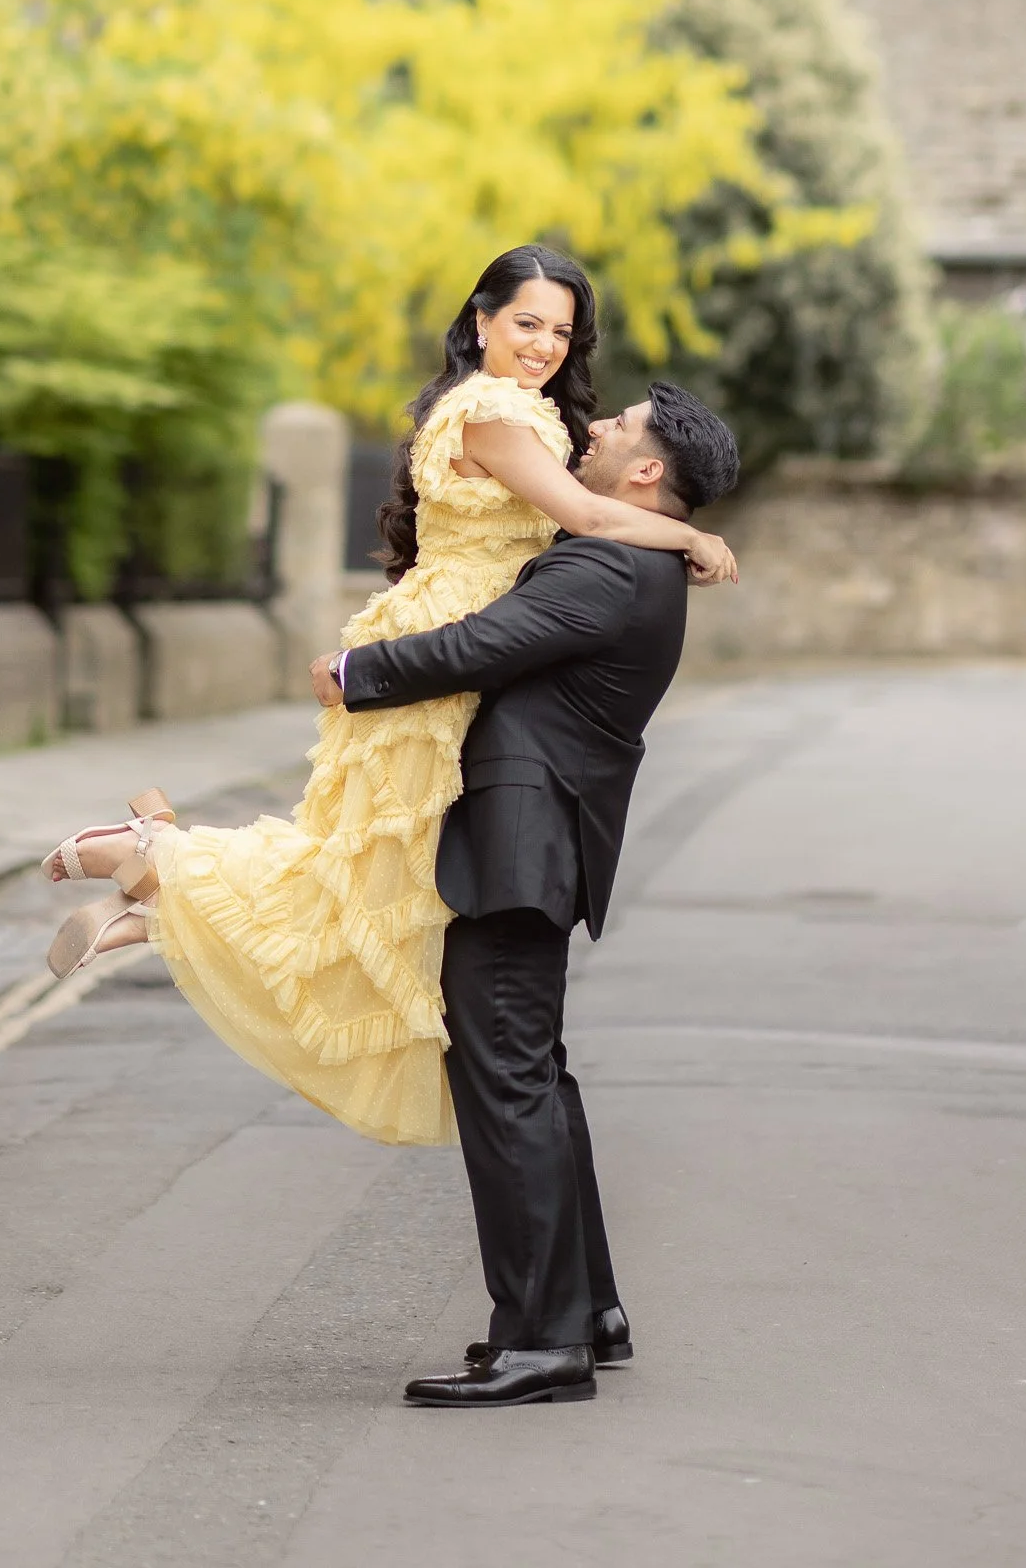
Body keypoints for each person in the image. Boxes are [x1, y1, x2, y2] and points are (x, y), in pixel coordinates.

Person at [40, 245, 737, 1154]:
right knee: (368, 884)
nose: (544, 345)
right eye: (525, 322)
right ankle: (155, 858)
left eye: (562, 331)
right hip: (437, 651)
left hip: (458, 653)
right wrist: (693, 536)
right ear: (480, 320)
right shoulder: (489, 412)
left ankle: (158, 898)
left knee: (379, 887)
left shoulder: (531, 419)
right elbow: (594, 518)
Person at [317, 378, 741, 1408]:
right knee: (535, 1077)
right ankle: (585, 1308)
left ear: (645, 471)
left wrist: (354, 666)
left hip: (519, 851)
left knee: (508, 1084)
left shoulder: (607, 563)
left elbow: (481, 645)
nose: (594, 425)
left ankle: (541, 1340)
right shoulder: (637, 554)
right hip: (536, 850)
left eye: (619, 425)